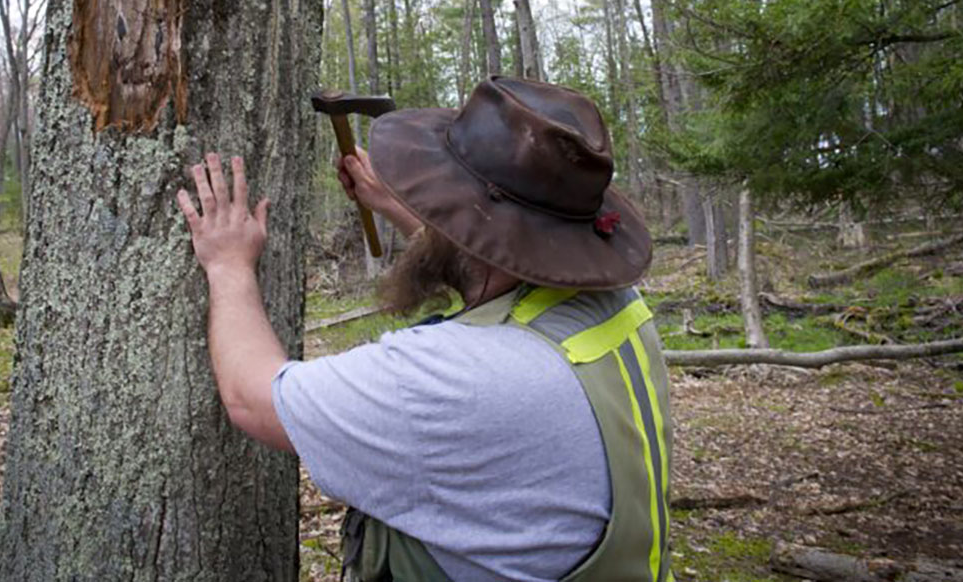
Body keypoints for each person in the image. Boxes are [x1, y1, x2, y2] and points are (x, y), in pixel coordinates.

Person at [177, 76, 673, 582]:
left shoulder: (445, 381)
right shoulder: (612, 306)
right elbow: (496, 276)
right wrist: (395, 204)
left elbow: (253, 397)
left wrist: (229, 265)